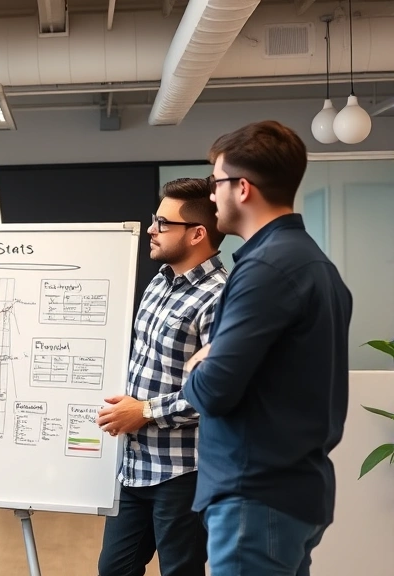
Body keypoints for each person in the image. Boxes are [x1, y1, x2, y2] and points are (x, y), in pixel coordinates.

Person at [182, 120, 353, 575]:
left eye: (216, 183)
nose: (211, 195)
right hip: (287, 491)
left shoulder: (266, 270)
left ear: (242, 188)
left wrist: (196, 364)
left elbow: (214, 389)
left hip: (254, 496)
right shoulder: (313, 263)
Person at [95, 178, 227, 576]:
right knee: (113, 570)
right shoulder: (159, 282)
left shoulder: (221, 297)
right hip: (136, 465)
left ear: (197, 234)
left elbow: (217, 390)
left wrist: (146, 411)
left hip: (184, 471)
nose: (151, 229)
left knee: (180, 571)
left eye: (163, 223)